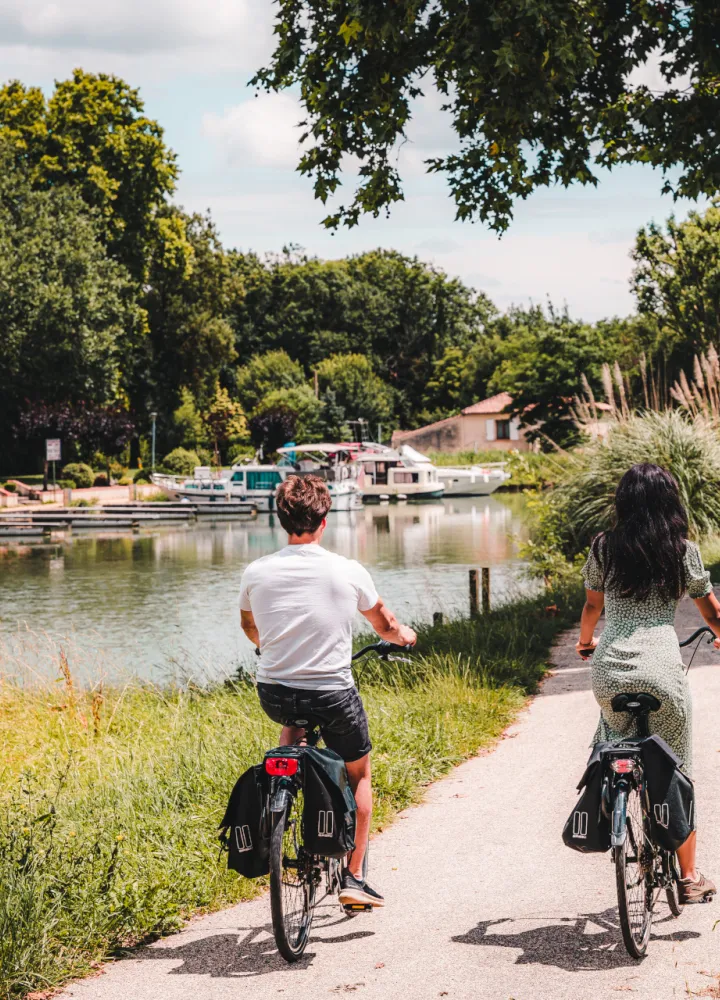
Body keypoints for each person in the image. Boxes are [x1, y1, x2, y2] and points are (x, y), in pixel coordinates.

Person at [240, 474, 417, 908]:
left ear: (281, 520)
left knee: (293, 725)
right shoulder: (346, 569)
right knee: (359, 774)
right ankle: (354, 878)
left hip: (274, 693)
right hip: (333, 695)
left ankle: (287, 786)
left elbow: (249, 626)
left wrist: (269, 646)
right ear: (323, 520)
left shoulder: (256, 571)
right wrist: (405, 636)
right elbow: (385, 625)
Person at [577, 462, 717, 904]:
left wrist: (586, 644)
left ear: (624, 501)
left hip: (611, 668)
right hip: (661, 668)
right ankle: (689, 876)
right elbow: (711, 612)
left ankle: (611, 805)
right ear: (669, 501)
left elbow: (591, 608)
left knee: (611, 741)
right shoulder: (682, 550)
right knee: (676, 767)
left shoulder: (603, 548)